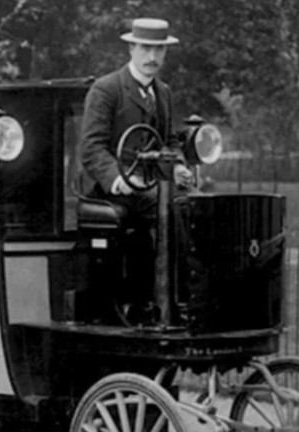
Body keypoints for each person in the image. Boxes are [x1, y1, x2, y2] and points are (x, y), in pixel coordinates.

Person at [79, 17, 195, 319]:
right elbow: (91, 149)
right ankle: (179, 301)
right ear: (131, 48)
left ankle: (185, 295)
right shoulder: (106, 90)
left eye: (159, 51)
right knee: (169, 206)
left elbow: (169, 142)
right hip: (113, 192)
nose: (152, 58)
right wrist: (116, 178)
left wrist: (179, 166)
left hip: (151, 186)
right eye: (146, 49)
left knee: (193, 204)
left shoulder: (163, 93)